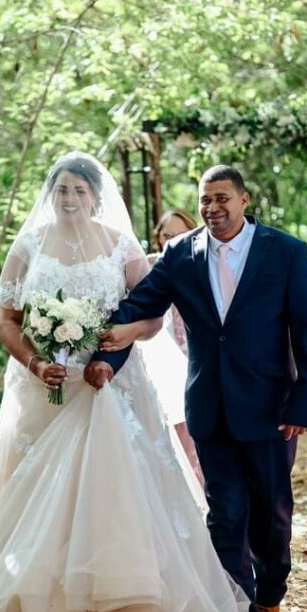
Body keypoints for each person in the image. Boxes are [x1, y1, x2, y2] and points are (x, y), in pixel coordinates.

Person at [0, 152, 248, 612]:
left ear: (95, 197)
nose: (70, 199)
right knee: (33, 488)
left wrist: (122, 338)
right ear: (50, 195)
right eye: (62, 190)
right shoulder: (29, 244)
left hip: (108, 383)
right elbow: (7, 321)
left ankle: (117, 601)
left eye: (79, 191)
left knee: (111, 483)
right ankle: (33, 599)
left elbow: (151, 315)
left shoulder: (121, 245)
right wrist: (36, 363)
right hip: (43, 386)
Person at [86, 164, 307, 612]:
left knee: (272, 517)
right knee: (226, 516)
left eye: (222, 199)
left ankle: (270, 592)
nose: (212, 208)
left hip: (271, 409)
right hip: (210, 408)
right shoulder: (180, 253)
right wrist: (105, 357)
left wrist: (303, 402)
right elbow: (139, 307)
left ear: (244, 199)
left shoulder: (285, 251)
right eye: (205, 200)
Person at [100, 208, 204, 487]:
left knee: (190, 429)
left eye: (181, 234)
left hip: (193, 353)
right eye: (167, 235)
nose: (173, 240)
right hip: (158, 352)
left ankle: (198, 486)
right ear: (159, 236)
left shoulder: (202, 263)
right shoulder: (148, 265)